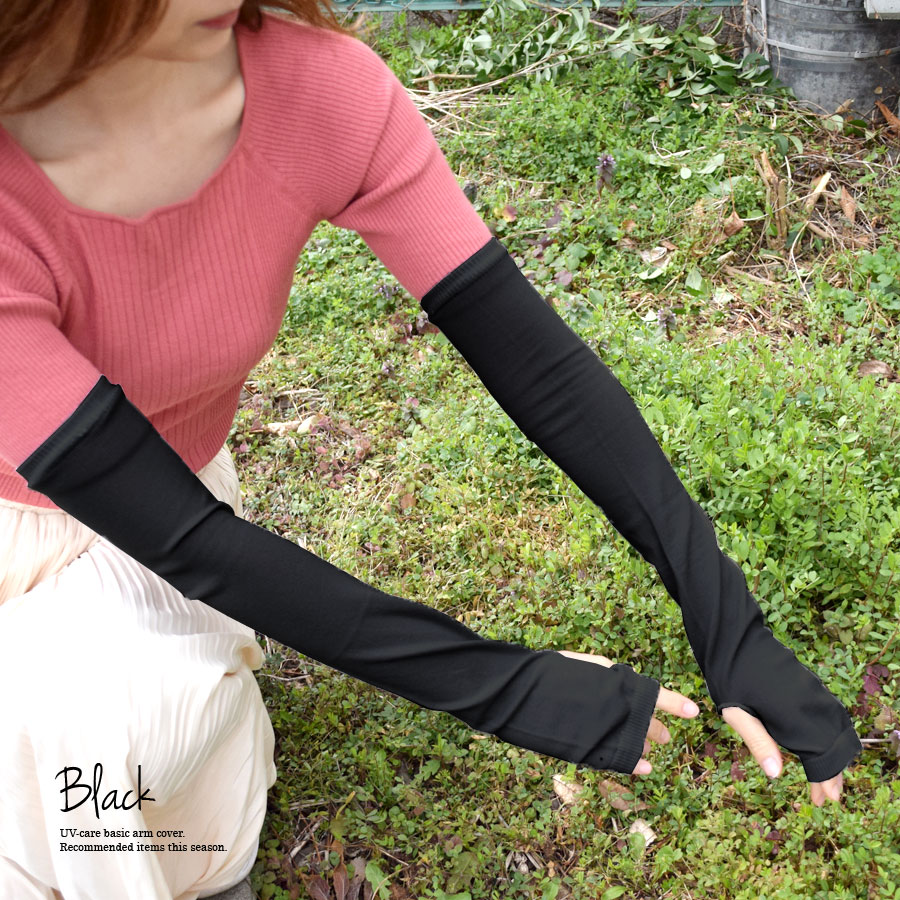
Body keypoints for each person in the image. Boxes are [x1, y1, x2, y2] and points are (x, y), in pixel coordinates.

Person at [0, 1, 859, 897]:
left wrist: (726, 618)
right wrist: (504, 685)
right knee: (94, 741)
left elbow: (534, 363)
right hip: (27, 523)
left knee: (146, 776)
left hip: (161, 501)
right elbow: (189, 542)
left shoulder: (309, 87)